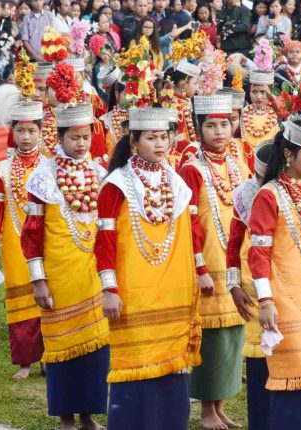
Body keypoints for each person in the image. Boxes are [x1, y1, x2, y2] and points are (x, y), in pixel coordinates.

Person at [94, 107, 201, 430]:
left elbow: (193, 232)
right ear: (133, 140)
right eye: (151, 138)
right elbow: (105, 241)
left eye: (164, 137)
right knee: (137, 362)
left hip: (173, 289)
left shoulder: (177, 183)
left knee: (172, 365)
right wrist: (109, 288)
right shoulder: (116, 185)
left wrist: (202, 271)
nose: (160, 144)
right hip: (133, 291)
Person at [20, 99, 109, 430]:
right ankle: (66, 418)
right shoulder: (43, 177)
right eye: (74, 137)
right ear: (58, 138)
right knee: (62, 345)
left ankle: (88, 416)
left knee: (95, 347)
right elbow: (31, 234)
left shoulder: (99, 173)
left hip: (92, 272)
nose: (81, 144)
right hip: (58, 274)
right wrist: (38, 280)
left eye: (85, 137)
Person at [248, 115, 301, 430]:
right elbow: (257, 253)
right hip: (285, 300)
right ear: (288, 154)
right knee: (294, 374)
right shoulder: (268, 195)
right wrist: (266, 300)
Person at [179, 93, 249, 430]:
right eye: (211, 125)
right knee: (211, 337)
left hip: (235, 261)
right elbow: (189, 223)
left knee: (233, 335)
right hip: (207, 260)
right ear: (198, 128)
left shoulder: (236, 163)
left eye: (224, 124)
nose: (219, 131)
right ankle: (206, 410)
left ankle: (220, 406)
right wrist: (199, 268)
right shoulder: (192, 168)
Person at [0, 100, 45, 380]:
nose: (25, 137)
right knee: (20, 294)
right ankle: (25, 361)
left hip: (46, 238)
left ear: (40, 132)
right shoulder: (3, 168)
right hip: (13, 238)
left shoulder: (50, 166)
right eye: (20, 131)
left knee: (48, 295)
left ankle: (49, 355)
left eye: (31, 131)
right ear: (13, 132)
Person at [225, 141, 273, 430]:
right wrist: (233, 285)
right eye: (259, 179)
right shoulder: (245, 194)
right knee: (259, 360)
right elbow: (233, 243)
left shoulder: (290, 190)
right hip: (254, 285)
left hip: (287, 284)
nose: (262, 185)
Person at [242, 68, 280, 150]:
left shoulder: (278, 114)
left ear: (271, 91)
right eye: (254, 92)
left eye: (263, 92)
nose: (259, 97)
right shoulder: (242, 113)